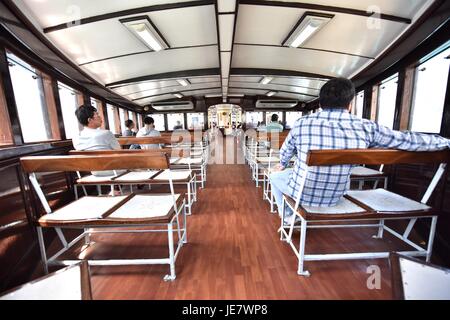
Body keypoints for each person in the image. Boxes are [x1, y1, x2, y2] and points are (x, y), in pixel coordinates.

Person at [270, 78, 450, 224]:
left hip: (302, 195)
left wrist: (283, 164)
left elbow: (285, 151)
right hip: (336, 197)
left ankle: (286, 217)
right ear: (350, 103)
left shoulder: (302, 123)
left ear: (321, 103)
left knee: (275, 176)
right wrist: (444, 141)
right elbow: (406, 140)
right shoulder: (366, 127)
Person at [72, 104, 121, 178]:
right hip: (114, 169)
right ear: (90, 120)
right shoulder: (106, 133)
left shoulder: (76, 138)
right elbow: (119, 151)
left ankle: (115, 189)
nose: (100, 117)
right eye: (97, 115)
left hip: (94, 171)